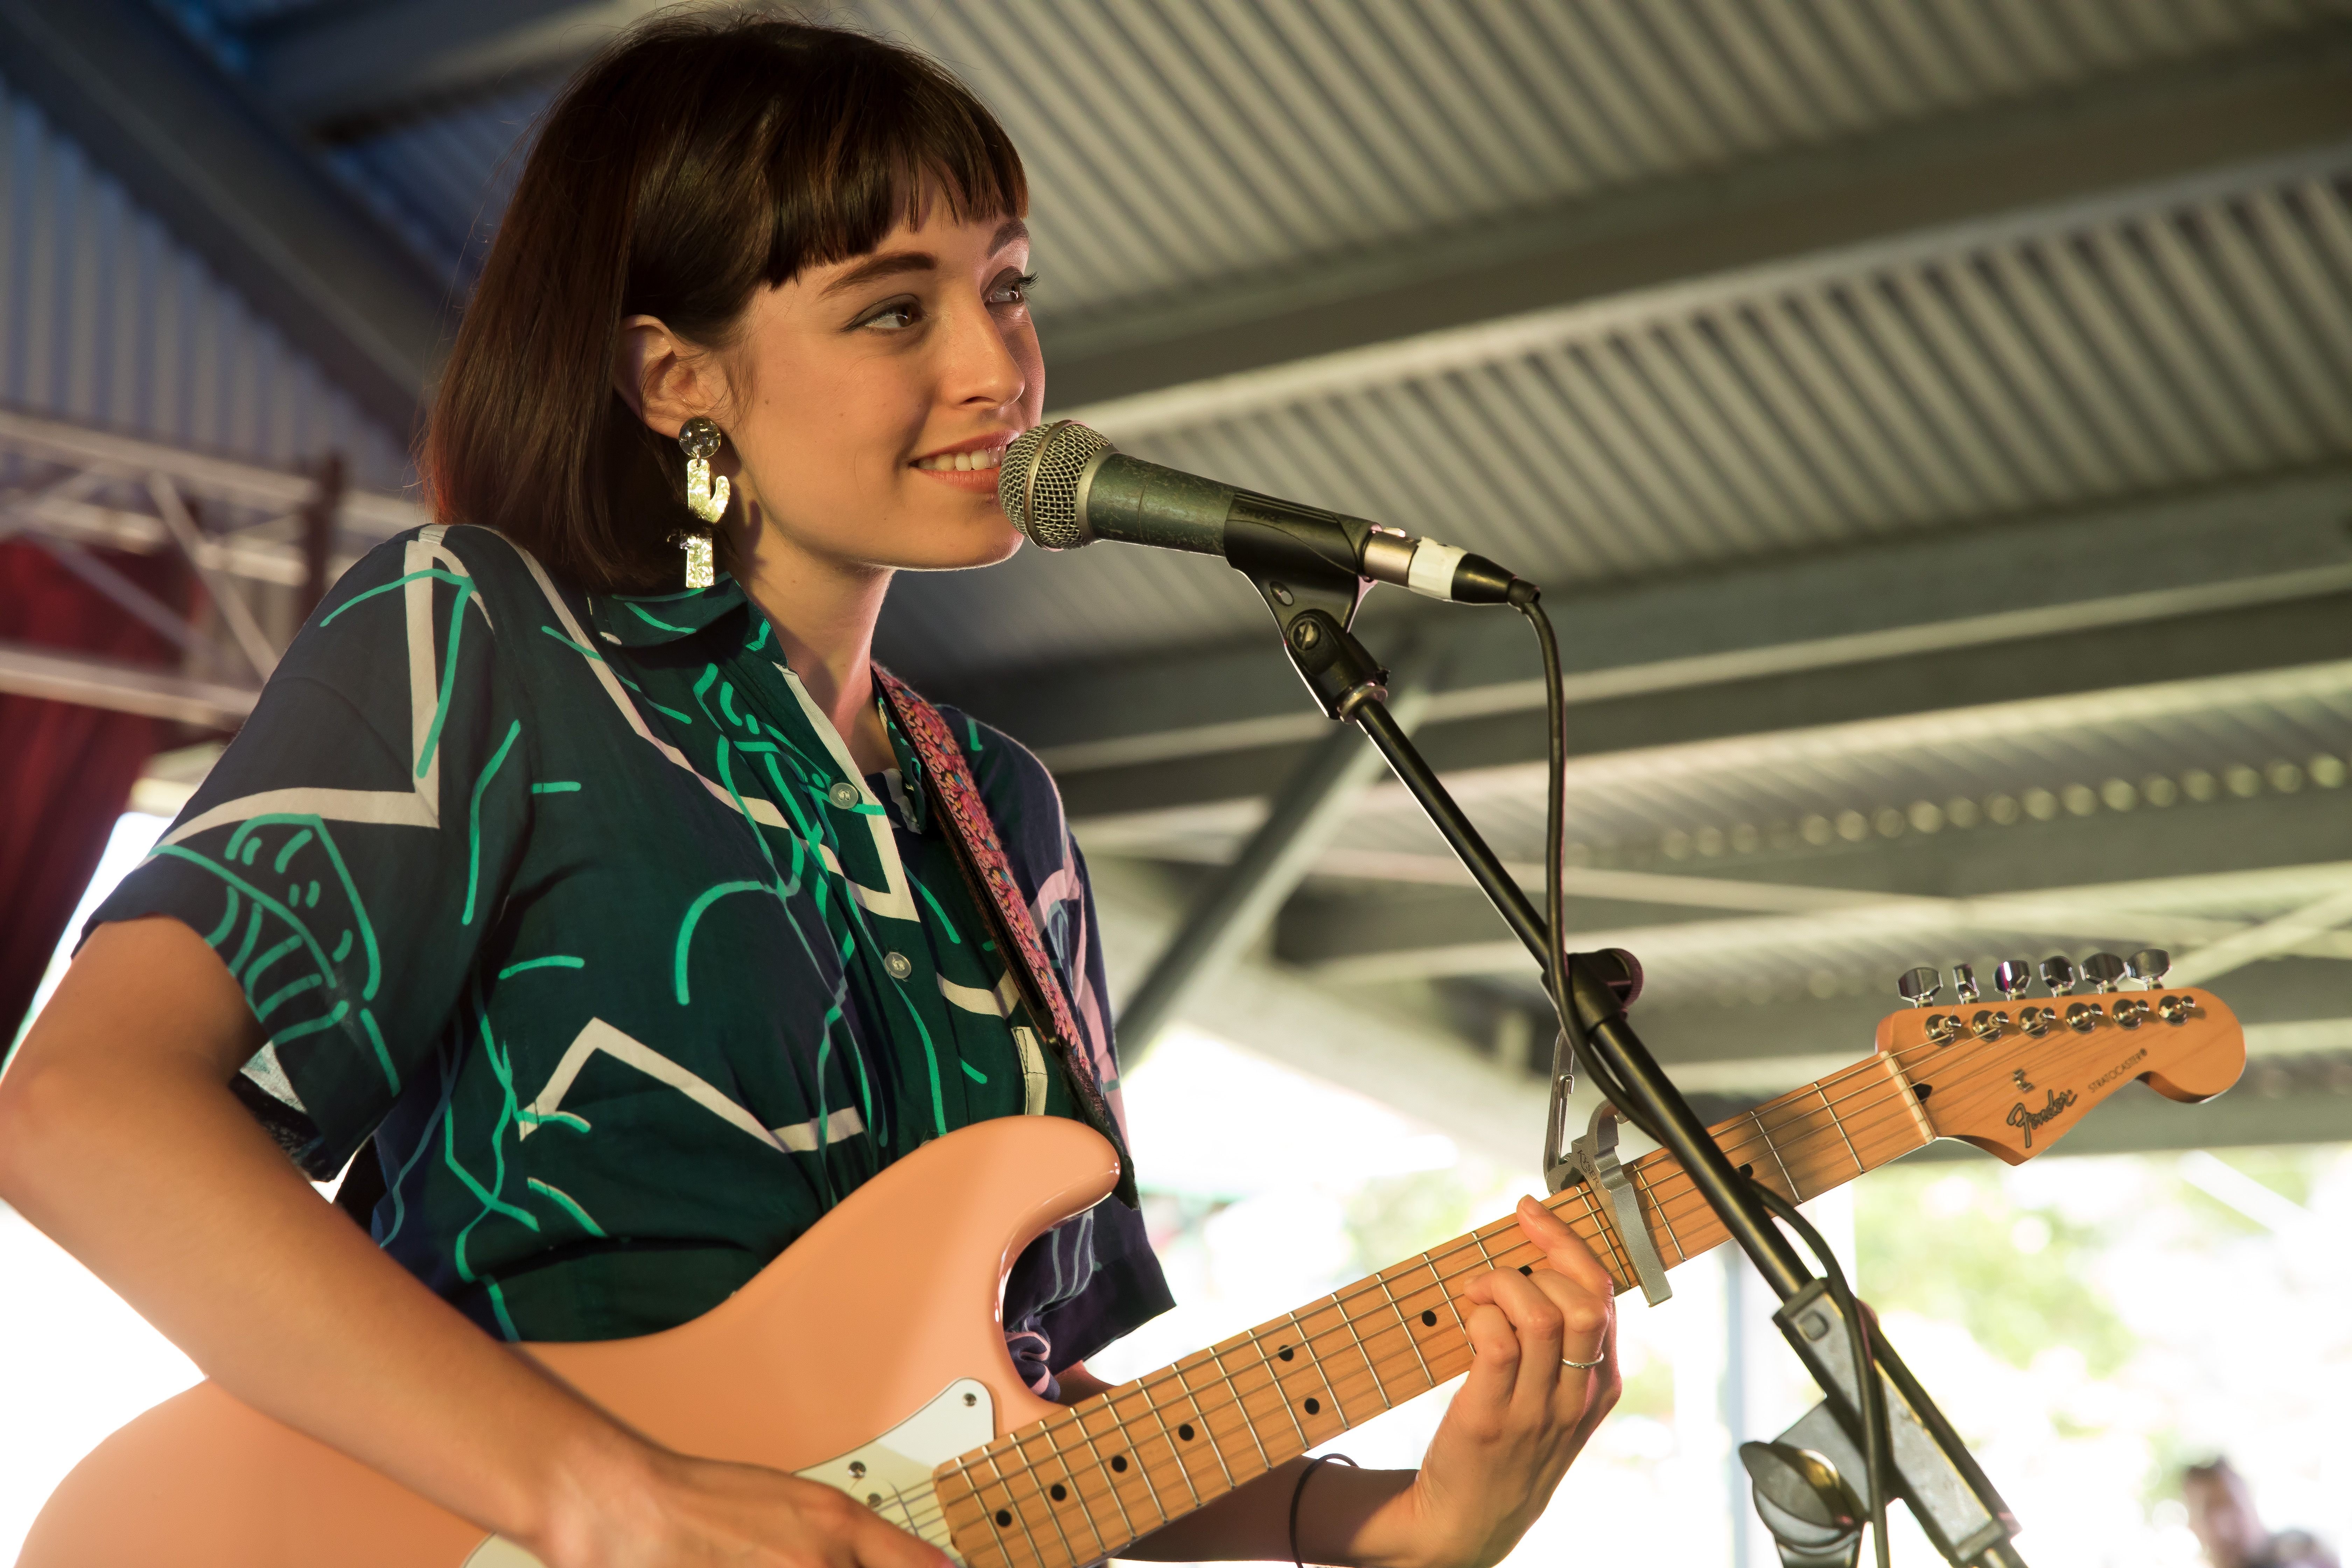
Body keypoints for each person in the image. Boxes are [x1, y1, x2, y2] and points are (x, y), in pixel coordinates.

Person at [0, 11, 1619, 1567]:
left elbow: (989, 1423)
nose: (1002, 367)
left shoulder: (1003, 814)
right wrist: (606, 1503)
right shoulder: (488, 635)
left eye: (1008, 288)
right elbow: (82, 1112)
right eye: (896, 310)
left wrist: (1376, 1527)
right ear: (673, 377)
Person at [2183, 1459, 2339, 1568]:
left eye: (2233, 1506)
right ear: (2193, 1527)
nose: (2224, 1526)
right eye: (2208, 1514)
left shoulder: (2301, 1550)